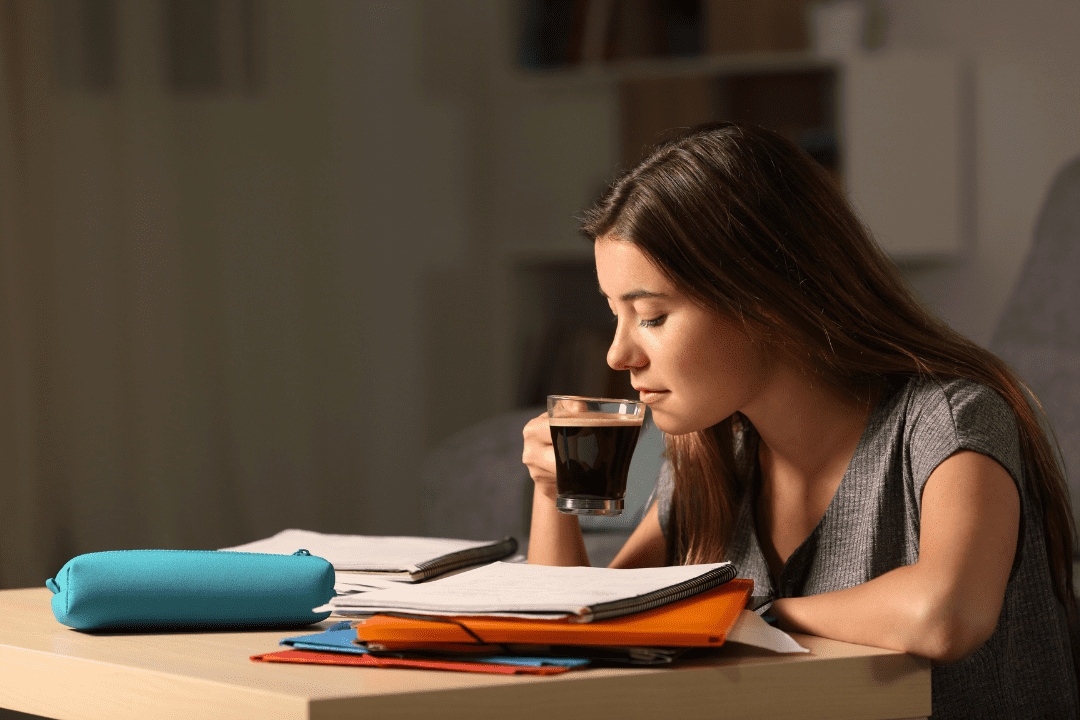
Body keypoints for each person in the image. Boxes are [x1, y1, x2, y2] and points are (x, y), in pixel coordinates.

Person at [521, 121, 1078, 717]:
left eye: (652, 316)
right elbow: (590, 626)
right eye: (615, 316)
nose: (616, 354)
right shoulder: (713, 457)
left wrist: (743, 612)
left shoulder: (950, 418)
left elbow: (945, 616)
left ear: (764, 297)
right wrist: (553, 494)